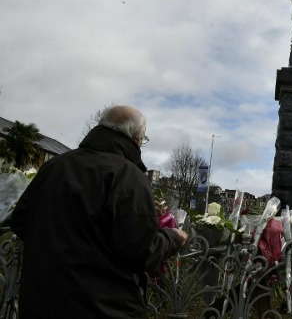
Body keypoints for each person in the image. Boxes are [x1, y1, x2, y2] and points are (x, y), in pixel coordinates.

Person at [10, 105, 188, 318]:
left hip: (40, 302)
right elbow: (142, 251)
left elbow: (20, 221)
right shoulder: (128, 176)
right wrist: (173, 237)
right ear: (137, 138)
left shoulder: (55, 165)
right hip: (103, 308)